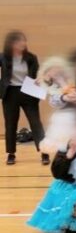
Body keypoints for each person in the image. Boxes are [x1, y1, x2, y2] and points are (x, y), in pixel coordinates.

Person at [0, 31, 45, 165]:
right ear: (11, 43)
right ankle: (11, 154)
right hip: (10, 93)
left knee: (35, 123)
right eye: (19, 41)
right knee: (10, 124)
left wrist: (40, 79)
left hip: (28, 91)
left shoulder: (31, 57)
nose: (23, 43)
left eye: (24, 41)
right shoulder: (3, 57)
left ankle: (44, 151)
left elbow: (38, 74)